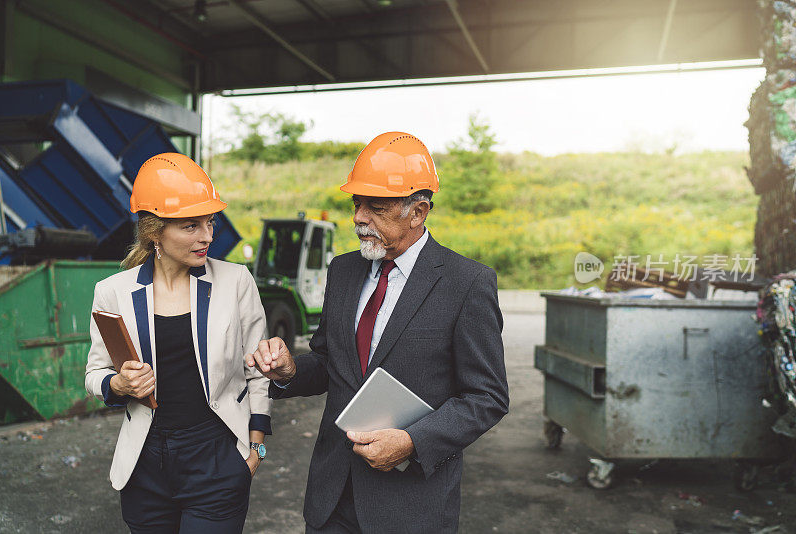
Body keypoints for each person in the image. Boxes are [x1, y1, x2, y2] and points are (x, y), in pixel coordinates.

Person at [247, 132, 509, 533]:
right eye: (357, 204)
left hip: (410, 508)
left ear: (418, 211)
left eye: (376, 207)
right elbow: (330, 362)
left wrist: (413, 442)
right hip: (331, 497)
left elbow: (486, 397)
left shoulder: (466, 283)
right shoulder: (344, 270)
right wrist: (288, 372)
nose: (359, 218)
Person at [85, 153, 271, 533]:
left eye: (209, 222)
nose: (207, 236)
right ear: (154, 231)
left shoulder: (235, 282)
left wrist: (255, 449)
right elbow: (94, 373)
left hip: (216, 458)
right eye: (190, 226)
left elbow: (257, 368)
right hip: (145, 465)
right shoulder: (113, 292)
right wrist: (117, 384)